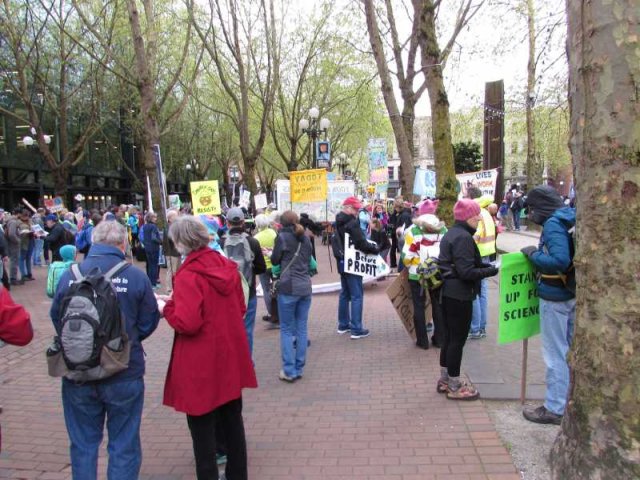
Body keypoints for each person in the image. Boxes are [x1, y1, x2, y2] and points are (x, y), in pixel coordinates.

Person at [49, 220, 160, 480]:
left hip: (78, 370)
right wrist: (124, 343)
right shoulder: (134, 276)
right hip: (123, 369)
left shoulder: (70, 274)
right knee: (124, 443)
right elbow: (148, 321)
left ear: (94, 242)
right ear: (123, 243)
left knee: (83, 444)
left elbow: (57, 317)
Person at [160, 215, 256, 480]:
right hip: (229, 355)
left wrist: (167, 306)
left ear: (181, 242)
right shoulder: (227, 266)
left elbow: (187, 322)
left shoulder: (189, 274)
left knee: (202, 432)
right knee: (233, 424)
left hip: (200, 361)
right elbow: (240, 307)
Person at [520, 185, 576, 425]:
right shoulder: (568, 218)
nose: (530, 215)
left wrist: (533, 255)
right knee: (569, 351)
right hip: (571, 293)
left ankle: (554, 407)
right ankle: (566, 401)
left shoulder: (553, 224)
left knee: (555, 354)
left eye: (531, 209)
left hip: (555, 296)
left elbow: (559, 260)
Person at [436, 199, 499, 400]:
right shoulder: (463, 237)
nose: (480, 218)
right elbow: (466, 271)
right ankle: (454, 385)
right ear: (468, 217)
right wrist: (493, 269)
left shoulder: (451, 234)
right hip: (459, 295)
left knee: (449, 338)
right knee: (457, 340)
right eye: (476, 215)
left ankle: (445, 379)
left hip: (448, 293)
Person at [270, 211, 314, 382]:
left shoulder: (281, 238)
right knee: (301, 328)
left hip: (288, 287)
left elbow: (274, 260)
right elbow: (309, 260)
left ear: (281, 224)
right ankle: (299, 367)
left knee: (287, 330)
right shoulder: (306, 238)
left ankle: (289, 370)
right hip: (305, 287)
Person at [332, 196, 379, 339]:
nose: (357, 211)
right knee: (357, 295)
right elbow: (361, 243)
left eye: (357, 208)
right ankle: (356, 328)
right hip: (353, 262)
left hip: (342, 261)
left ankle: (343, 324)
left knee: (345, 293)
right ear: (347, 208)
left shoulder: (337, 221)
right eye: (355, 208)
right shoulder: (352, 223)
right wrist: (374, 248)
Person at [221, 207, 266, 355]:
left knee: (227, 331)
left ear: (227, 223)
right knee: (247, 331)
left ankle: (231, 365)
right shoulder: (253, 242)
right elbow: (261, 268)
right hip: (248, 293)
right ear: (243, 222)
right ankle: (247, 365)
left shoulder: (220, 243)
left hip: (225, 294)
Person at [401, 213, 446, 349]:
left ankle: (422, 341)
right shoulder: (443, 231)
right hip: (437, 274)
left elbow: (406, 255)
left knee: (419, 307)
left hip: (417, 274)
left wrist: (412, 266)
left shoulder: (413, 231)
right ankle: (439, 340)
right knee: (438, 306)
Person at [468, 193, 497, 339]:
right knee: (483, 292)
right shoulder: (485, 212)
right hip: (488, 253)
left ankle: (475, 328)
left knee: (475, 292)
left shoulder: (475, 213)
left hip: (478, 255)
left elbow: (475, 235)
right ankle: (481, 326)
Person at [254, 213, 278, 326]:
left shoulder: (256, 238)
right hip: (274, 264)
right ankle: (278, 312)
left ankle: (271, 313)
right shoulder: (273, 233)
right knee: (276, 289)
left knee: (266, 290)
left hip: (263, 266)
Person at [141, 212, 162, 289]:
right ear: (151, 218)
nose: (156, 219)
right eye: (154, 217)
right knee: (154, 265)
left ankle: (150, 282)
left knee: (150, 265)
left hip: (147, 247)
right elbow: (154, 238)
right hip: (154, 248)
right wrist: (161, 242)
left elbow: (143, 238)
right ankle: (154, 283)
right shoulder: (154, 227)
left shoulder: (145, 226)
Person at [5, 209, 22, 285]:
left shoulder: (10, 221)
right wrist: (18, 240)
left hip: (11, 244)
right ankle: (13, 278)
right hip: (13, 245)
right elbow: (11, 234)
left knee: (14, 261)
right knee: (14, 261)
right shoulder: (13, 222)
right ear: (18, 214)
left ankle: (13, 277)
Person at [17, 210, 35, 282]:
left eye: (27, 216)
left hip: (30, 240)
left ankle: (29, 273)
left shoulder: (30, 221)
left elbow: (34, 228)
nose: (26, 217)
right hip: (23, 242)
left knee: (28, 258)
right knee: (21, 258)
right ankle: (23, 275)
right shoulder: (18, 222)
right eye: (24, 215)